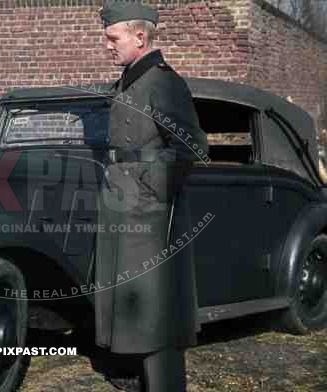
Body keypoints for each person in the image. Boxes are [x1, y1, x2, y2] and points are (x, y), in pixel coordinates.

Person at [94, 2, 208, 391]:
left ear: (139, 37)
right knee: (128, 298)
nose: (107, 45)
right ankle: (131, 374)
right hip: (123, 203)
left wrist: (148, 188)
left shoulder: (162, 82)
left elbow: (190, 145)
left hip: (148, 214)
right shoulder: (130, 79)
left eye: (113, 38)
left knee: (155, 308)